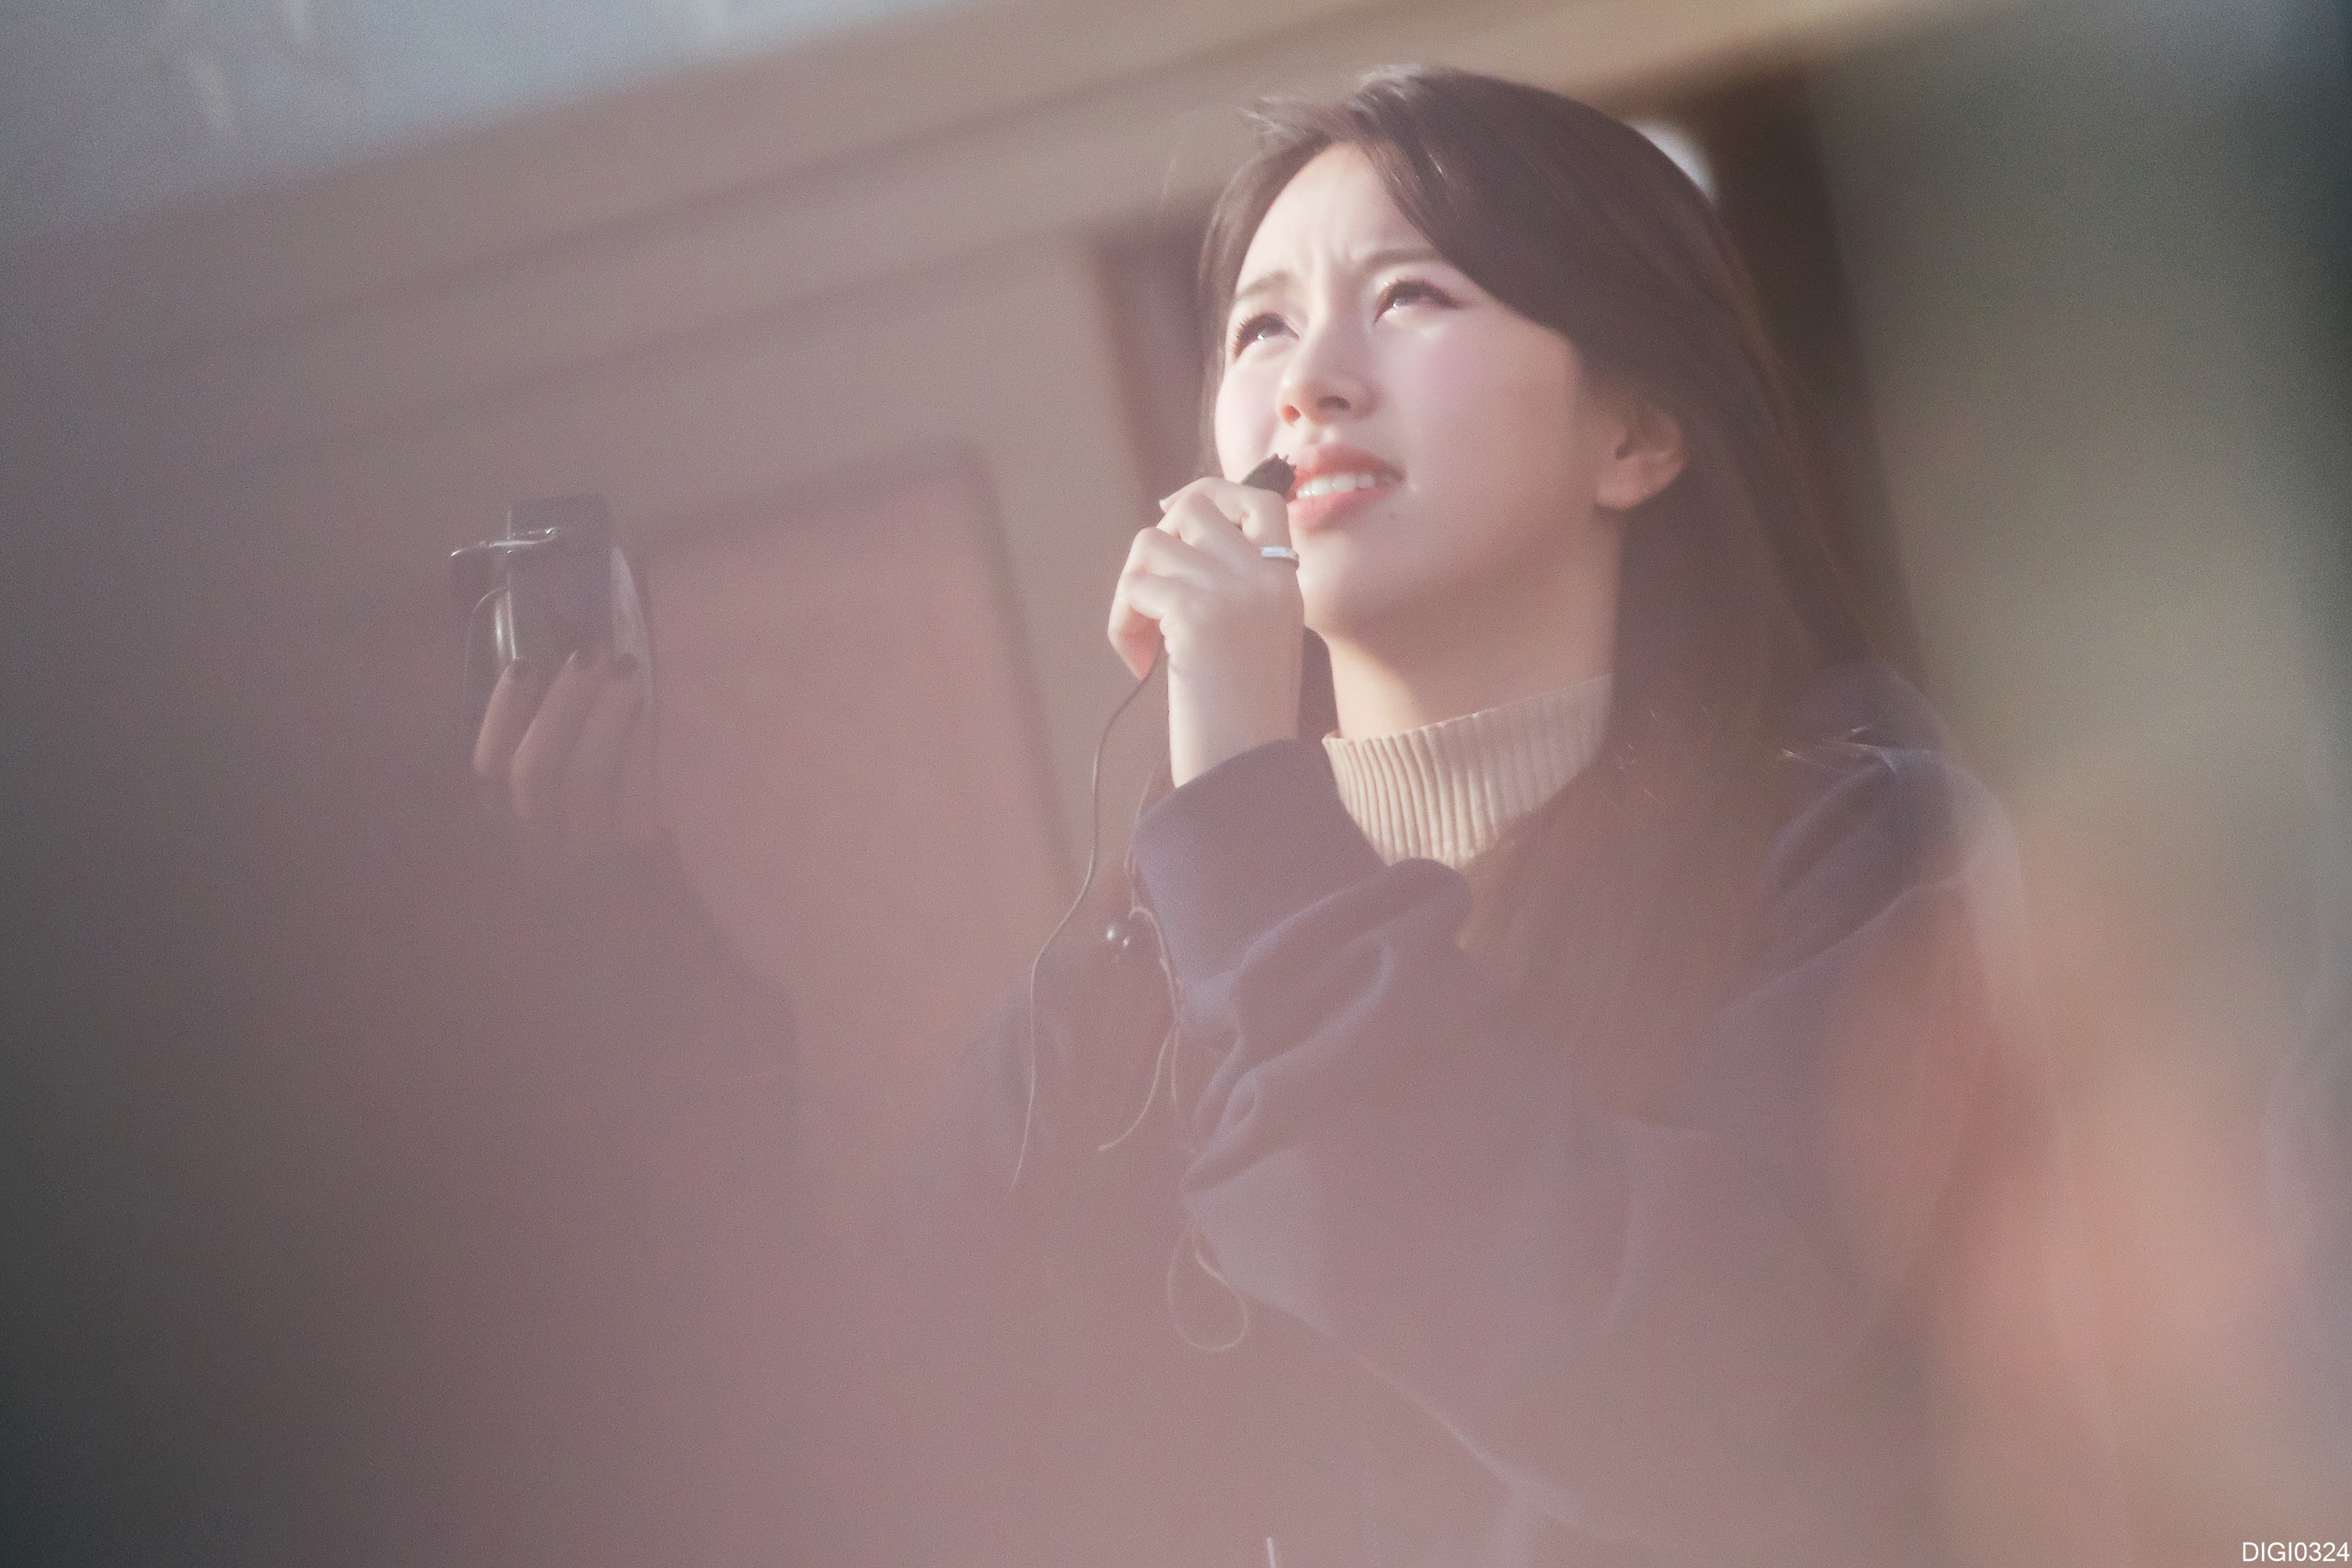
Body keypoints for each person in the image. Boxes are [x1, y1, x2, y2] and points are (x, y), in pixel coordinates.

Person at [477, 66, 2132, 1568]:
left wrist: (1238, 789)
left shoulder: (1859, 846)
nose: (1311, 385)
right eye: (1262, 329)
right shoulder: (1151, 956)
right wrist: (623, 935)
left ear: (1634, 434)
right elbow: (867, 1422)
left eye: (1410, 296)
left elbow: (1657, 1374)